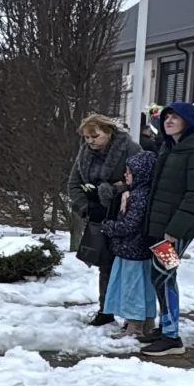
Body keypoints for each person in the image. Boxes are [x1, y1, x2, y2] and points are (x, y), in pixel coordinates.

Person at [140, 102, 194, 356]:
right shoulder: (171, 147)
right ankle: (166, 327)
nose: (169, 121)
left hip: (175, 229)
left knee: (164, 275)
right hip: (160, 224)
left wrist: (175, 228)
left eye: (176, 117)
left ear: (189, 121)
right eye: (166, 117)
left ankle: (172, 337)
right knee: (160, 275)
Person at [66, 114, 143, 327]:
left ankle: (131, 315)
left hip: (126, 215)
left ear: (108, 133)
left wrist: (111, 191)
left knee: (127, 265)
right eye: (86, 137)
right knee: (105, 263)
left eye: (95, 136)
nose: (90, 141)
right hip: (99, 216)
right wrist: (87, 206)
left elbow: (141, 181)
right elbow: (73, 183)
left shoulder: (130, 149)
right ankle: (106, 309)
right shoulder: (85, 153)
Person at [100, 152, 158, 339]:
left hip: (131, 249)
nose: (126, 175)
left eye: (129, 172)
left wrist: (109, 227)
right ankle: (148, 322)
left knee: (132, 288)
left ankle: (134, 325)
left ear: (141, 174)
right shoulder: (145, 194)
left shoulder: (138, 196)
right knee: (145, 287)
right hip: (140, 249)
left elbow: (130, 225)